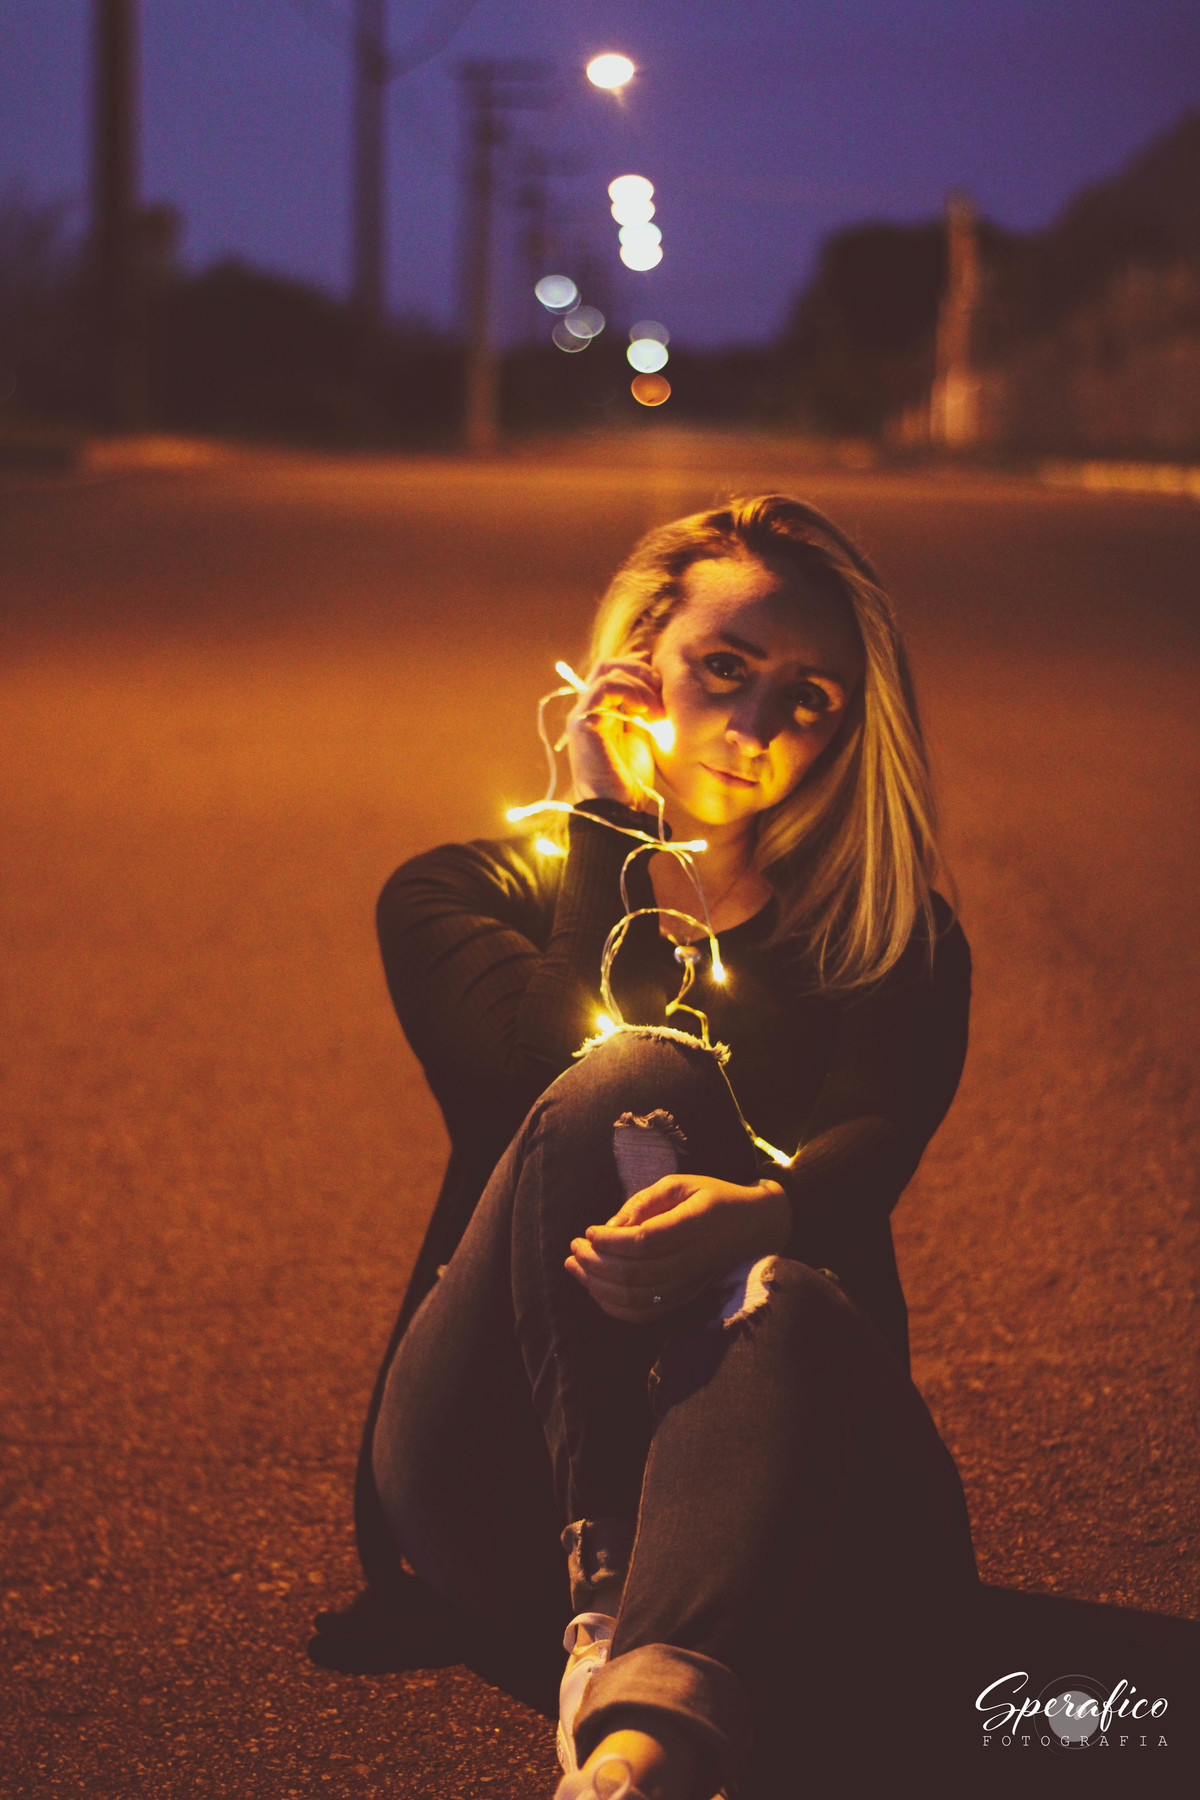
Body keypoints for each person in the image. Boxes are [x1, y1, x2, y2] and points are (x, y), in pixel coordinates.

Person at [349, 495, 979, 1799]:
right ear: (637, 663)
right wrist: (604, 822)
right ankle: (606, 1611)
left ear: (851, 727)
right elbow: (526, 1079)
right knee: (634, 1069)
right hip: (497, 1482)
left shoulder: (887, 938)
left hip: (775, 1476)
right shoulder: (453, 893)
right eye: (724, 668)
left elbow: (876, 1138)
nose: (754, 728)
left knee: (784, 1292)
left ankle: (635, 1751)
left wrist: (763, 1214)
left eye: (808, 700)